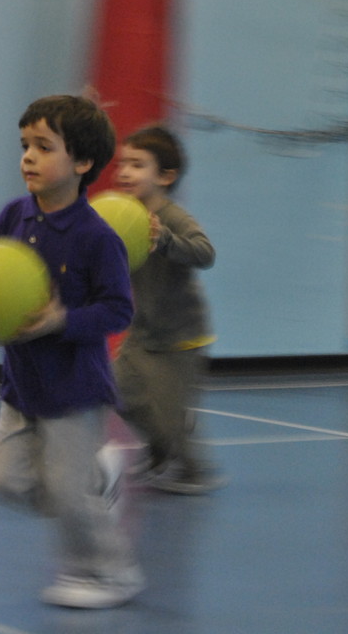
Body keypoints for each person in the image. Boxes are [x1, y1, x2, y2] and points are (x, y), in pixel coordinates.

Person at [0, 94, 144, 609]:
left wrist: (61, 320)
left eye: (43, 147)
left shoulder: (98, 238)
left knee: (68, 496)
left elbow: (118, 311)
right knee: (5, 482)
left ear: (82, 163)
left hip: (74, 388)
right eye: (25, 145)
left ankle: (111, 573)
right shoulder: (12, 217)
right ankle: (99, 476)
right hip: (21, 383)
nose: (28, 156)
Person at [112, 124, 223, 495]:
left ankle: (194, 470)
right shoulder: (122, 214)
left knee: (170, 419)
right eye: (123, 164)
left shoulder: (172, 217)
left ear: (166, 176)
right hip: (142, 332)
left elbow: (205, 252)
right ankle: (160, 449)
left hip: (180, 337)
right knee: (114, 390)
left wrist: (166, 241)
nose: (125, 172)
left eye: (137, 165)